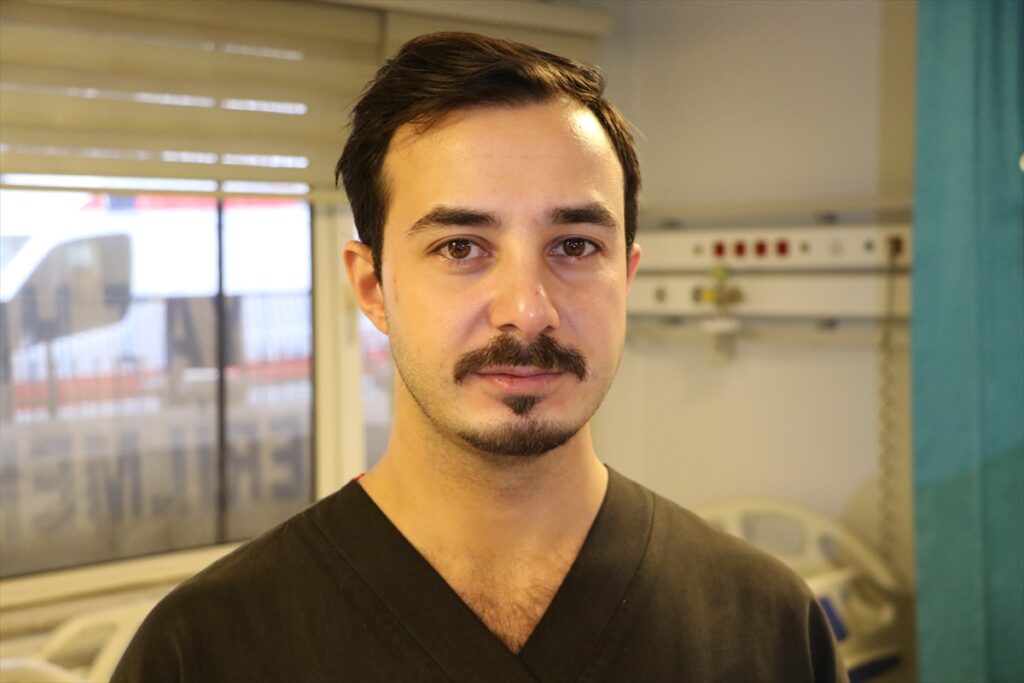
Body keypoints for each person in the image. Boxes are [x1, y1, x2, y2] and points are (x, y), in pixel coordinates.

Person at [113, 32, 847, 682]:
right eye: (461, 247)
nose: (527, 308)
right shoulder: (205, 648)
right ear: (372, 287)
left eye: (575, 246)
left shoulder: (768, 624)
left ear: (625, 278)